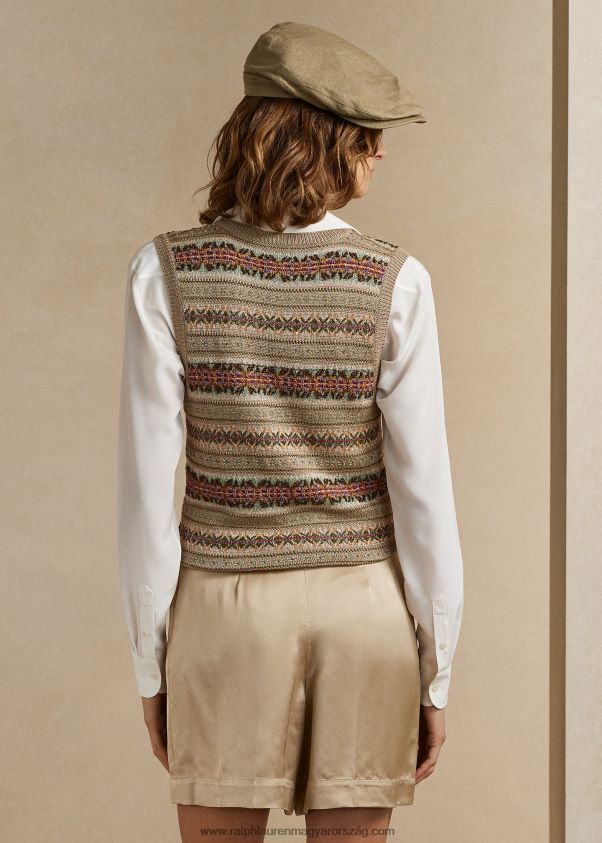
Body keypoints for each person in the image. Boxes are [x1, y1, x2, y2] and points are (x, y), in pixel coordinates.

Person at [117, 21, 464, 843]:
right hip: (365, 611)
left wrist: (150, 662)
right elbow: (424, 498)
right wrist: (437, 668)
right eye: (366, 134)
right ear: (325, 140)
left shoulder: (165, 273)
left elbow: (146, 494)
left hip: (223, 610)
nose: (381, 151)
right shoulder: (396, 282)